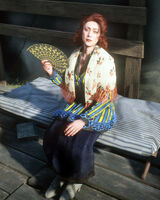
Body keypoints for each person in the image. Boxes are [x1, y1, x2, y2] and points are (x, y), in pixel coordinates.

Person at [42, 13, 117, 200]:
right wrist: (52, 73)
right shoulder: (74, 56)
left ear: (100, 36)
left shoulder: (105, 60)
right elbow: (67, 86)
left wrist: (83, 121)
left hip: (98, 109)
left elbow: (106, 97)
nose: (90, 34)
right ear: (81, 32)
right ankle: (60, 176)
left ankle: (75, 181)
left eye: (95, 31)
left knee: (79, 141)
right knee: (54, 132)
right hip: (78, 105)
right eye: (86, 29)